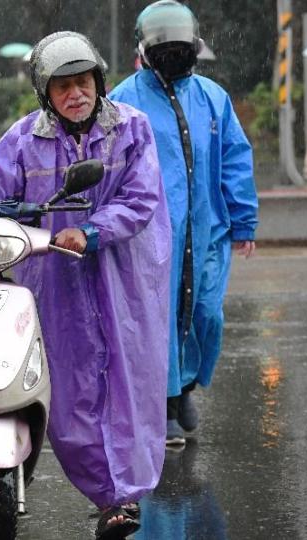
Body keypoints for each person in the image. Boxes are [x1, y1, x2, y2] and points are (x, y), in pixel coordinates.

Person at [0, 32, 171, 540]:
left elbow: (141, 199)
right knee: (66, 392)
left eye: (84, 82)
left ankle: (122, 500)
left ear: (99, 81)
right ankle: (106, 492)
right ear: (45, 94)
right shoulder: (26, 138)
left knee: (129, 387)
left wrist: (90, 231)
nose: (77, 94)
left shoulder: (132, 129)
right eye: (63, 86)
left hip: (122, 280)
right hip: (55, 281)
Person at [110, 0, 258, 448]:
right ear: (145, 48)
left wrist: (243, 220)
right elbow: (110, 166)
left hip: (207, 228)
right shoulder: (123, 100)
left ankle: (188, 384)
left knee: (204, 313)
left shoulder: (213, 98)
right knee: (159, 317)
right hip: (150, 235)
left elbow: (235, 157)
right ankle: (167, 403)